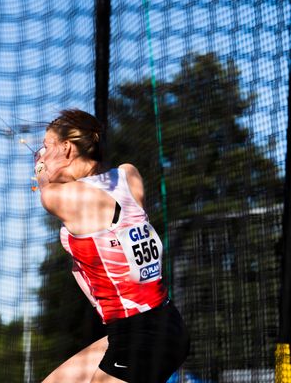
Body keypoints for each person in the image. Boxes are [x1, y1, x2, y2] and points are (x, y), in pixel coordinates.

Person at [34, 109, 190, 383]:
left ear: (67, 149)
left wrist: (40, 171)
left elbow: (47, 192)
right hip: (155, 324)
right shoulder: (129, 175)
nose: (41, 154)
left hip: (141, 336)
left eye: (46, 147)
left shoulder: (68, 197)